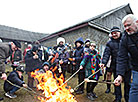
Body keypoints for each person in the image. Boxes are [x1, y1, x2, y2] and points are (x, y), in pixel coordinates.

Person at [114, 14, 138, 102]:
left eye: (128, 25)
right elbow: (121, 57)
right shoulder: (125, 38)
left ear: (137, 22)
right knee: (135, 89)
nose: (126, 28)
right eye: (125, 26)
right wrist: (120, 75)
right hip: (136, 68)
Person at [100, 26, 123, 102]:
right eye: (112, 33)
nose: (114, 35)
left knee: (127, 83)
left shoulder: (124, 40)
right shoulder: (110, 43)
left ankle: (128, 98)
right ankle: (118, 98)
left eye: (115, 33)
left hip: (126, 65)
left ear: (119, 32)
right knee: (116, 82)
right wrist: (103, 62)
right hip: (115, 65)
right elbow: (106, 53)